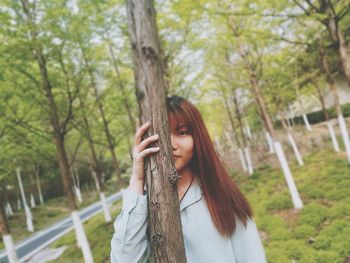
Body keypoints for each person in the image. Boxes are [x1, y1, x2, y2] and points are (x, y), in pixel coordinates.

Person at [110, 96, 267, 263]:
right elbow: (123, 260)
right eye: (160, 133)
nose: (171, 144)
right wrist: (137, 179)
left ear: (197, 139)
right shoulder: (143, 204)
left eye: (183, 132)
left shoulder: (222, 194)